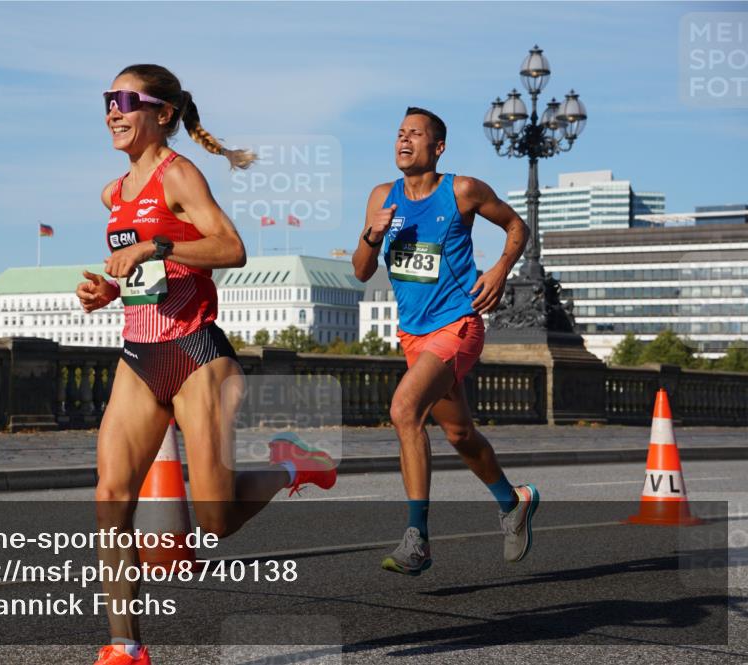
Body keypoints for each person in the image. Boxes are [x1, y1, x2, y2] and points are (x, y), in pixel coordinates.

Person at [76, 64, 337, 665]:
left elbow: (231, 248)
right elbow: (145, 280)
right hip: (140, 357)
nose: (112, 111)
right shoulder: (113, 194)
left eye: (125, 100)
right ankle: (125, 647)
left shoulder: (179, 174)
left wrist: (157, 244)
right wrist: (108, 293)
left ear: (163, 113)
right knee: (110, 497)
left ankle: (291, 466)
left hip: (197, 356)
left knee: (215, 523)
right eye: (106, 100)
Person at [352, 107, 538, 577]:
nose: (403, 140)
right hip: (414, 335)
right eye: (399, 133)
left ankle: (418, 539)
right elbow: (359, 270)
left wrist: (498, 269)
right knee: (459, 434)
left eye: (415, 134)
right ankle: (512, 502)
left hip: (459, 324)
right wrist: (372, 233)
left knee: (403, 410)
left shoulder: (461, 190)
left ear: (437, 147)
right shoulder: (382, 197)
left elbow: (519, 226)